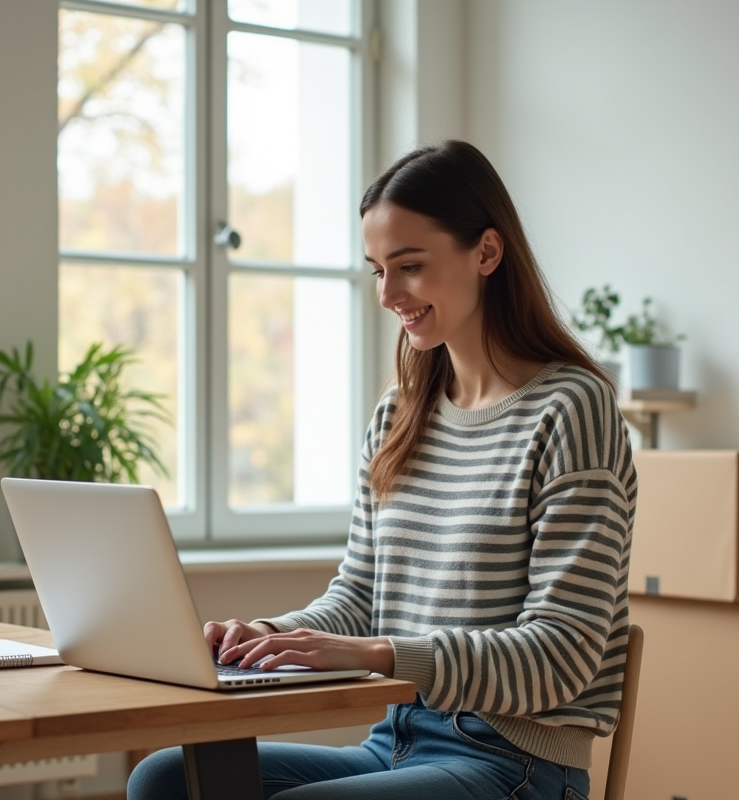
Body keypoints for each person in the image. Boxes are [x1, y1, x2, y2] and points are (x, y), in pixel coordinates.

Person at [128, 140, 636, 800]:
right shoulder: (399, 415)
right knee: (165, 779)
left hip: (515, 763)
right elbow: (360, 598)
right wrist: (272, 638)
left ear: (486, 252)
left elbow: (563, 653)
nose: (388, 294)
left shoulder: (571, 410)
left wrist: (382, 655)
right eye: (376, 270)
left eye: (411, 266)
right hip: (395, 739)